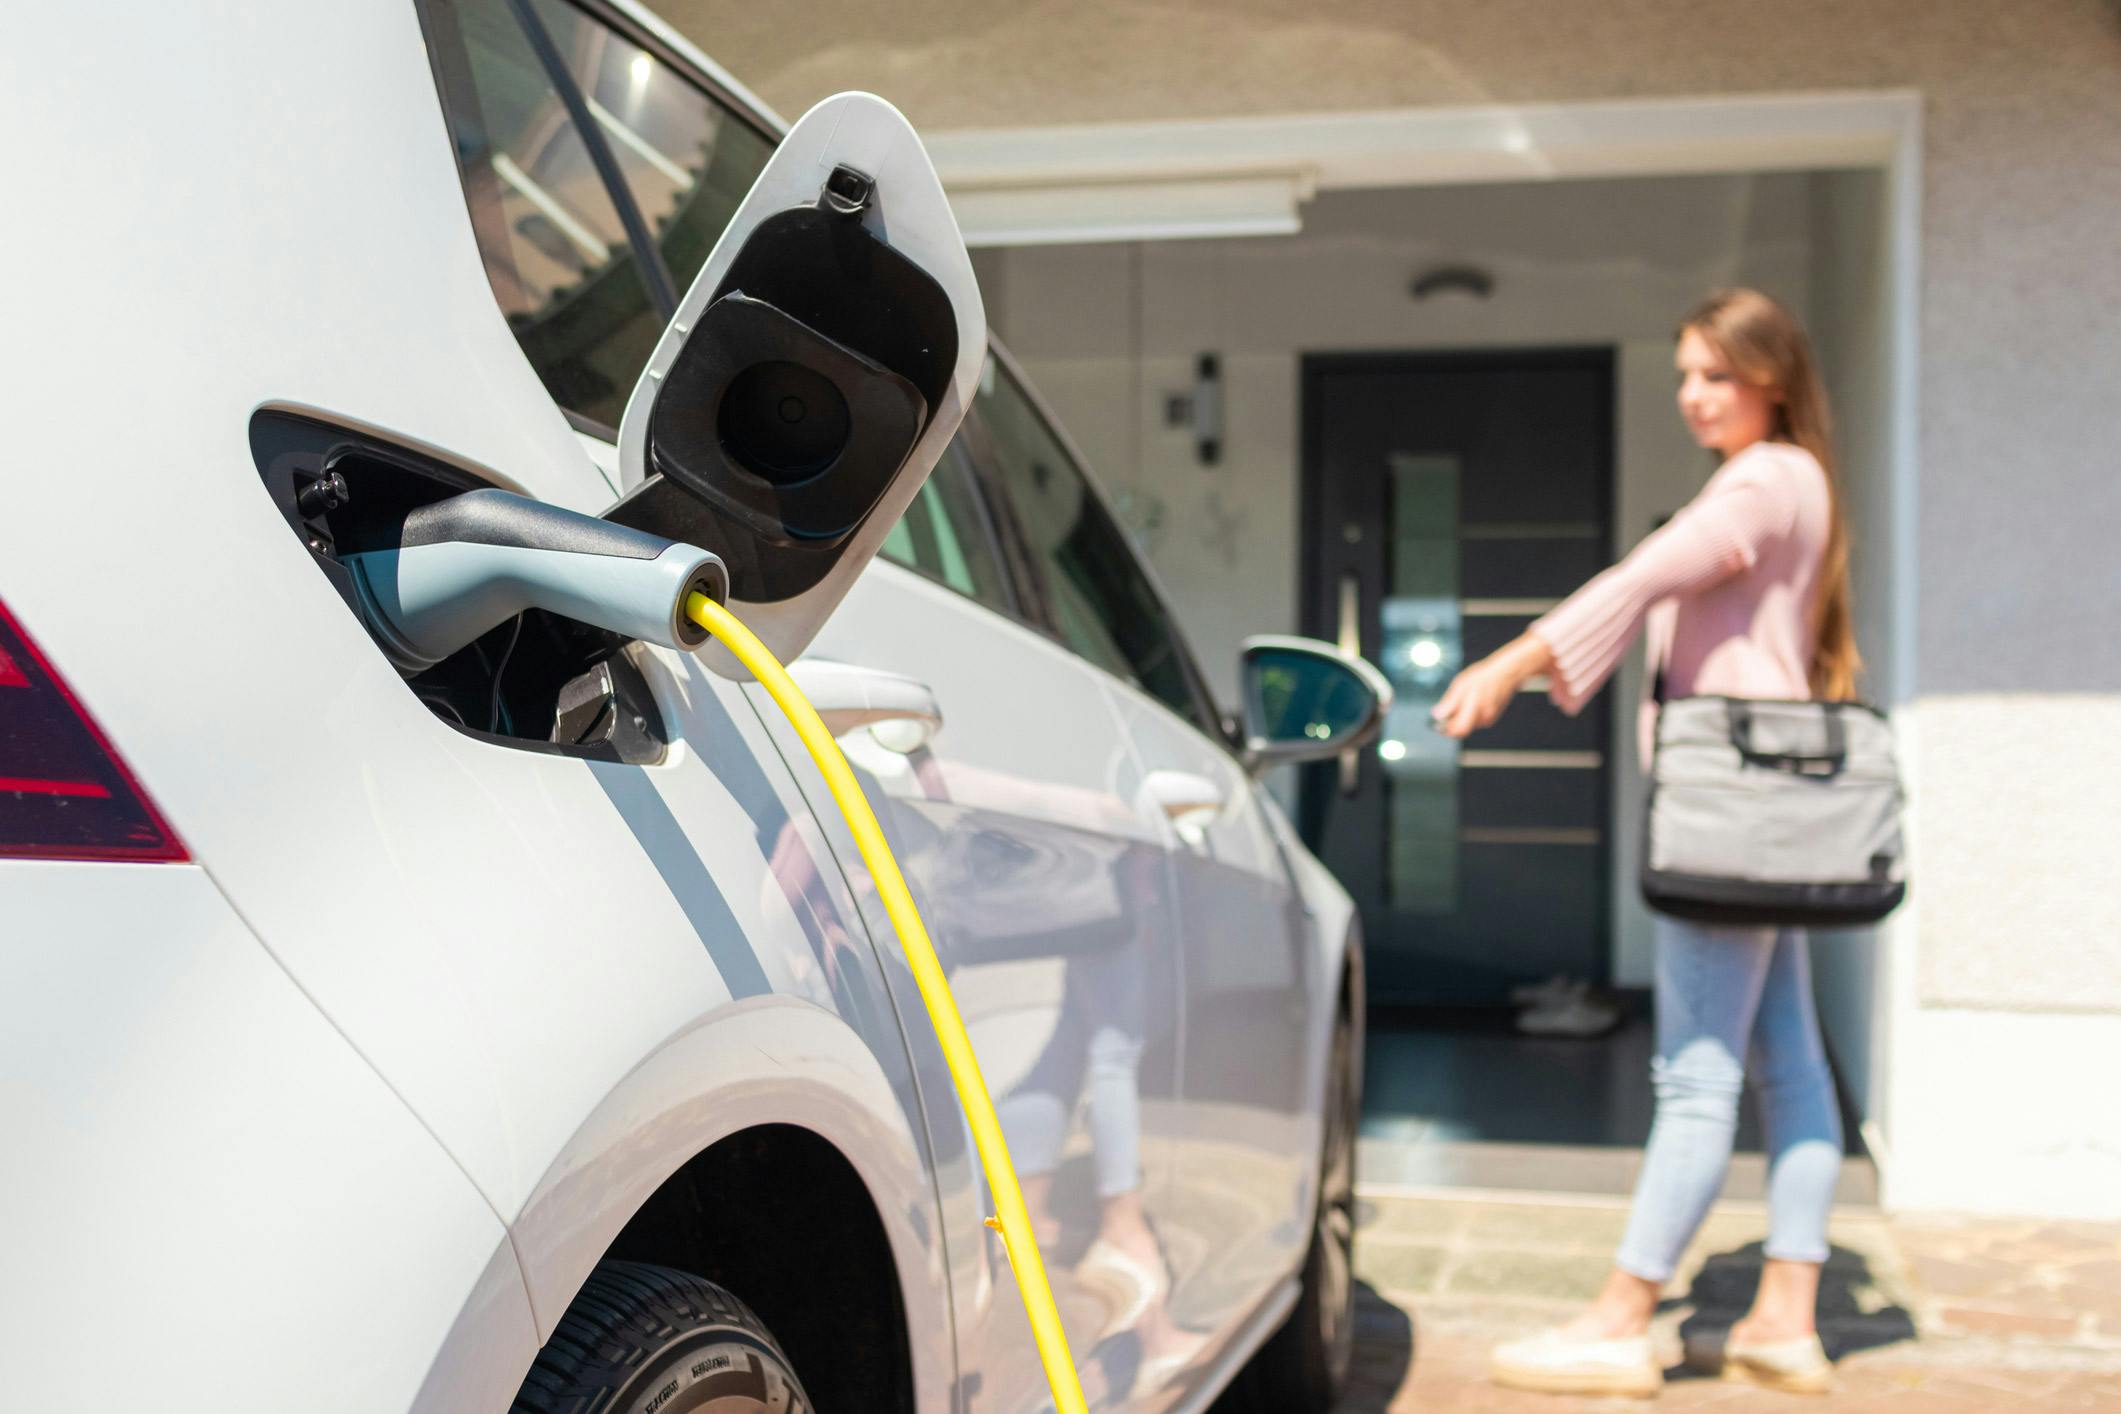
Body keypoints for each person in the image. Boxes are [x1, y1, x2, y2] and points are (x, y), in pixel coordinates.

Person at [1432, 288, 1858, 1399]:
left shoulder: (1764, 480)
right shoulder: (1802, 482)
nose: (1693, 396)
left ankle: (1622, 1319)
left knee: (1696, 1076)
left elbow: (1651, 573)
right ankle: (1786, 1318)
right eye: (1684, 374)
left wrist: (1514, 661)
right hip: (1769, 814)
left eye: (1715, 373)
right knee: (1794, 1066)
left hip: (1729, 815)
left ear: (1773, 375)